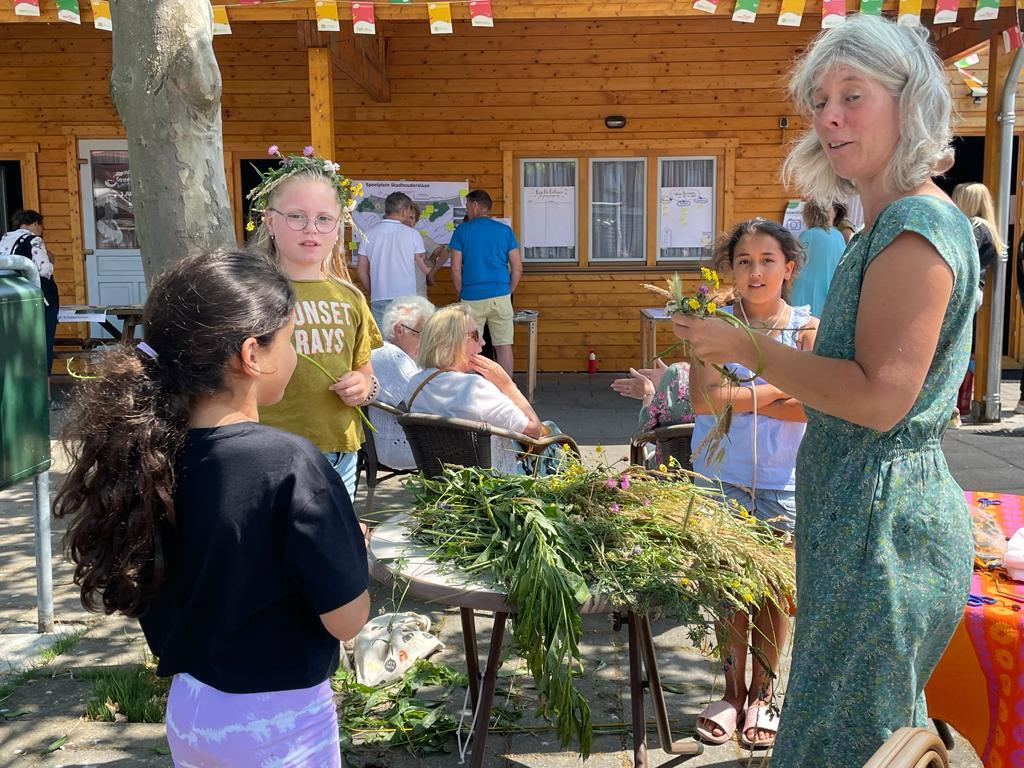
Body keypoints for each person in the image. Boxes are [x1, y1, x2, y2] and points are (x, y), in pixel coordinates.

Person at [672, 16, 978, 766]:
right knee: (853, 736)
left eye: (853, 95)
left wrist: (749, 348)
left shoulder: (913, 224)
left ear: (911, 103)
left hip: (883, 532)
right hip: (861, 521)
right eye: (819, 99)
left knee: (849, 745)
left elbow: (877, 400)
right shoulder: (885, 222)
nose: (830, 116)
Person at [54, 250, 370, 767]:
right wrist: (349, 550)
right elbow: (347, 619)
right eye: (289, 339)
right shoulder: (289, 464)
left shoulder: (147, 454)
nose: (293, 356)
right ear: (252, 353)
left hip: (190, 709)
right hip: (278, 723)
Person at [686, 219, 816, 751]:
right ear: (730, 270)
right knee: (729, 591)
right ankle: (731, 691)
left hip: (783, 479)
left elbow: (814, 403)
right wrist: (777, 390)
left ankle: (765, 692)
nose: (755, 270)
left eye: (767, 260)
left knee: (774, 593)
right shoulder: (711, 325)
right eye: (744, 260)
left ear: (788, 268)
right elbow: (703, 401)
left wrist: (741, 393)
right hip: (722, 475)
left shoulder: (808, 329)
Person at [249, 147, 382, 500]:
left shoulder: (350, 297)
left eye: (324, 219)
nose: (311, 229)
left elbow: (366, 373)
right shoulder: (250, 292)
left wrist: (363, 386)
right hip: (269, 450)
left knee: (327, 549)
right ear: (270, 220)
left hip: (340, 450)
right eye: (296, 216)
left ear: (339, 227)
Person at [404, 302, 542, 476]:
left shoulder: (415, 384)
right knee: (554, 438)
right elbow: (534, 430)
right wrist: (506, 384)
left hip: (442, 483)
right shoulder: (475, 388)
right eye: (476, 335)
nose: (483, 342)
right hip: (494, 486)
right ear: (455, 342)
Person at [449, 189, 522, 376]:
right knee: (504, 346)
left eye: (467, 206)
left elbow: (456, 268)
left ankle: (473, 394)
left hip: (471, 297)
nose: (466, 210)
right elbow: (517, 268)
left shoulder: (462, 231)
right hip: (501, 295)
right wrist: (509, 291)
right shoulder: (505, 231)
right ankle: (507, 393)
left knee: (470, 348)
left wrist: (460, 292)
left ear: (475, 205)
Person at [369, 295, 436, 469]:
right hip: (403, 447)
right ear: (399, 329)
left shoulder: (400, 355)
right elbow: (422, 402)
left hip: (411, 439)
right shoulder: (390, 355)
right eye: (425, 334)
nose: (428, 342)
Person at [357, 192, 430, 329]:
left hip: (379, 297)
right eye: (409, 210)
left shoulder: (368, 234)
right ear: (403, 211)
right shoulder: (413, 234)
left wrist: (374, 291)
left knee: (382, 345)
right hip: (407, 299)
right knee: (407, 342)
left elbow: (361, 271)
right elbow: (423, 263)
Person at [0, 209, 57, 372]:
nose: (41, 231)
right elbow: (44, 270)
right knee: (43, 342)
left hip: (10, 295)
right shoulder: (34, 239)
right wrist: (52, 261)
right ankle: (45, 390)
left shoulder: (4, 239)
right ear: (34, 224)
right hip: (38, 299)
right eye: (41, 226)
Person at [611, 358, 695, 462]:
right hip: (714, 469)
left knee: (647, 447)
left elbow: (643, 430)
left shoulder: (680, 370)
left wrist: (649, 394)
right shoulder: (717, 377)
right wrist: (672, 381)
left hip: (668, 469)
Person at [952, 182, 1003, 309]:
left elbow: (960, 257)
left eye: (956, 198)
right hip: (972, 292)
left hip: (964, 292)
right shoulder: (986, 228)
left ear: (967, 202)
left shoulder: (976, 228)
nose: (952, 202)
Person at [791, 199, 846, 316]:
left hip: (806, 290)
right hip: (831, 288)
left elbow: (796, 262)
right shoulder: (838, 236)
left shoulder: (808, 235)